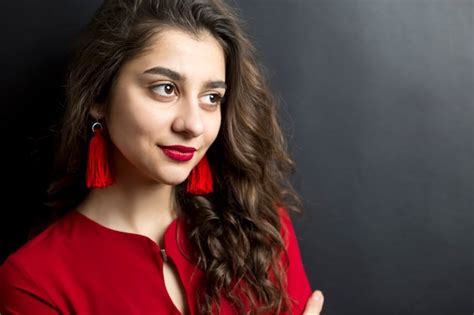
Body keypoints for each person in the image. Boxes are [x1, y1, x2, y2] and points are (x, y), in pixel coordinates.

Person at [0, 0, 325, 314]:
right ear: (99, 95)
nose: (193, 124)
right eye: (165, 88)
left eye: (211, 97)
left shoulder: (261, 229)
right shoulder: (34, 282)